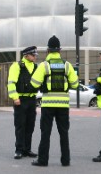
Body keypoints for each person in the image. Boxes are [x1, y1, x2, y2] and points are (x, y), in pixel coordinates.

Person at [30, 35, 79, 167]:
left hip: (48, 105)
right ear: (59, 50)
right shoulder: (67, 65)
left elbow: (34, 83)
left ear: (48, 50)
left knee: (45, 133)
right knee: (64, 133)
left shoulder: (44, 65)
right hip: (63, 105)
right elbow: (75, 84)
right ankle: (65, 160)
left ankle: (43, 160)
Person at [7, 46, 39, 159]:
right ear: (26, 55)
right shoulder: (17, 66)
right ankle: (19, 149)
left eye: (35, 55)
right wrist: (15, 97)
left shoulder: (36, 67)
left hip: (32, 100)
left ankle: (27, 149)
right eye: (33, 55)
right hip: (20, 100)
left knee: (30, 125)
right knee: (20, 126)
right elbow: (11, 83)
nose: (35, 57)